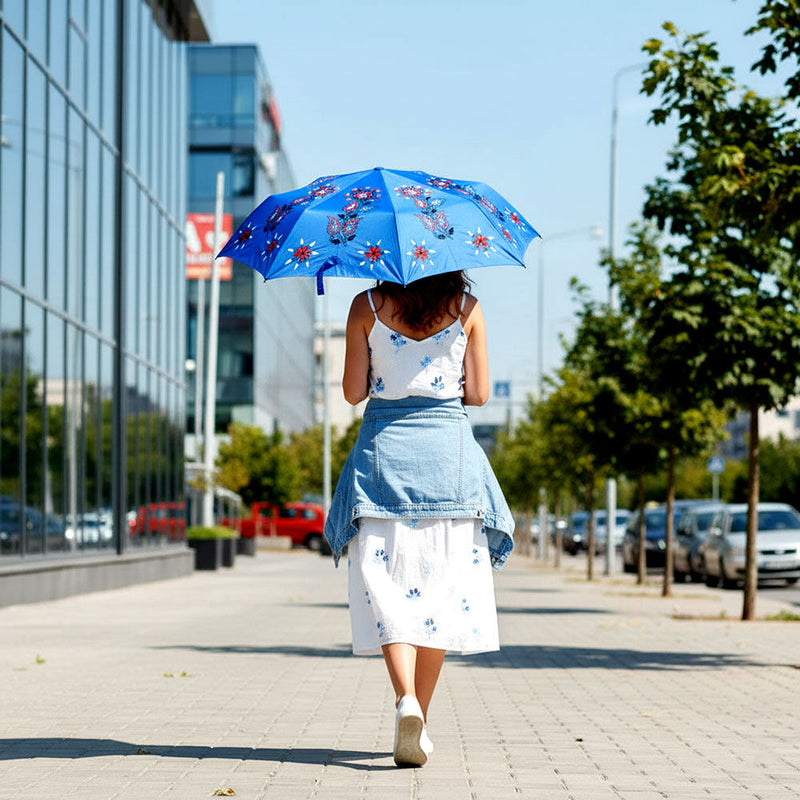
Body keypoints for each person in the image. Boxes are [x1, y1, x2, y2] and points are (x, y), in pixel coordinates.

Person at [324, 271, 515, 768]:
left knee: (386, 588)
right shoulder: (467, 309)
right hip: (449, 461)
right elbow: (478, 395)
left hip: (384, 458)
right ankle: (419, 722)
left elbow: (351, 392)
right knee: (440, 595)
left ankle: (405, 700)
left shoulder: (366, 306)